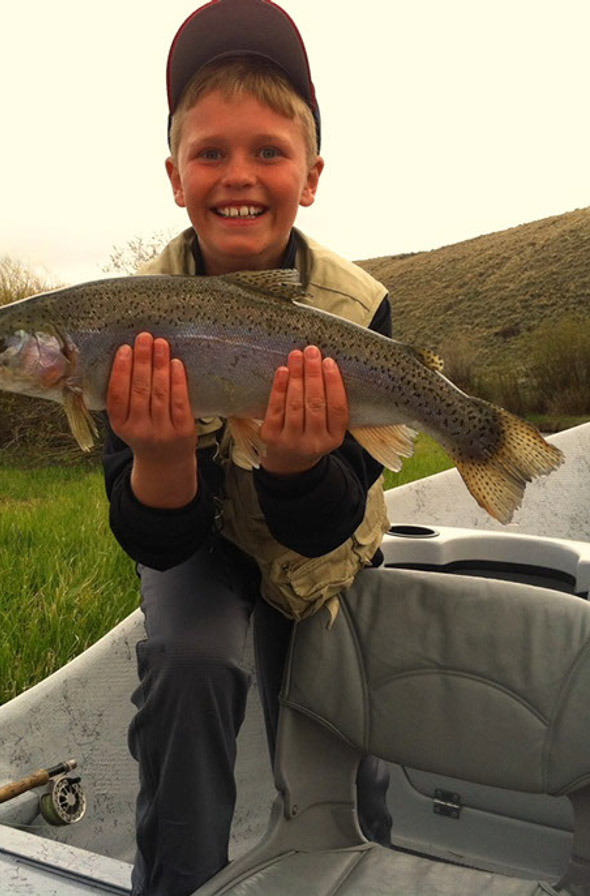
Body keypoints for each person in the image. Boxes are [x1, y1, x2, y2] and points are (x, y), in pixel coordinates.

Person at [102, 2, 393, 893]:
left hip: (326, 545)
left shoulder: (357, 307)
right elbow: (157, 540)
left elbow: (328, 522)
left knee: (350, 730)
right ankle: (180, 878)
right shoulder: (121, 319)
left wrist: (302, 467)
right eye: (211, 152)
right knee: (190, 663)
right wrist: (158, 462)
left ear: (309, 176)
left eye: (268, 151)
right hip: (201, 545)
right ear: (174, 173)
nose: (239, 176)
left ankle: (360, 870)